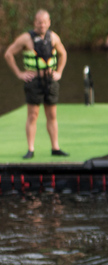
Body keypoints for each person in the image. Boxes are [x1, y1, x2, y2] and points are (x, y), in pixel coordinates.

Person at [4, 9, 68, 159]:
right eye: (39, 22)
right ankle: (30, 149)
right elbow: (8, 54)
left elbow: (63, 53)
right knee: (33, 115)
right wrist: (19, 73)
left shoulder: (53, 37)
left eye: (45, 22)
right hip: (34, 82)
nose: (42, 25)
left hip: (50, 81)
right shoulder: (26, 38)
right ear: (35, 23)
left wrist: (59, 72)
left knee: (52, 115)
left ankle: (55, 147)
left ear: (49, 22)